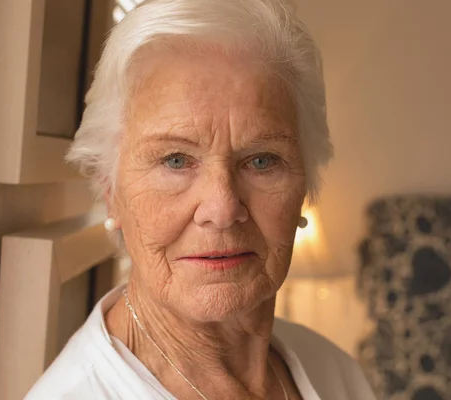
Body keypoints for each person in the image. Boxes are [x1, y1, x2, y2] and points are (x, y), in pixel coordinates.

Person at [26, 0, 376, 398]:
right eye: (175, 160)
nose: (223, 208)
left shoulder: (336, 373)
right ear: (110, 189)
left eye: (261, 161)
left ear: (305, 186)